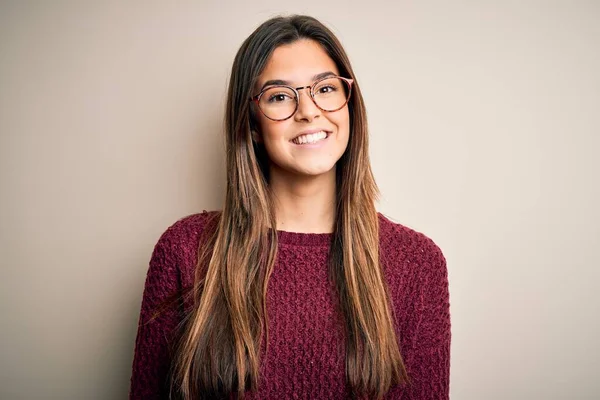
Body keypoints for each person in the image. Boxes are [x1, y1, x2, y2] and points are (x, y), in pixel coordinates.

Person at [129, 14, 450, 400]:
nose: (309, 111)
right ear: (250, 125)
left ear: (350, 103)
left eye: (326, 89)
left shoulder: (417, 263)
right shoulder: (186, 251)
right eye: (280, 96)